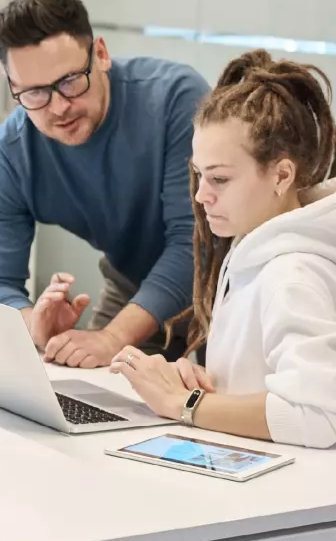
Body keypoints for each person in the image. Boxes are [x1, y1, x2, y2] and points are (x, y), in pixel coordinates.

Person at [0, 0, 210, 368]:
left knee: (222, 413)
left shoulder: (175, 100)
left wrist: (112, 337)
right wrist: (35, 323)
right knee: (94, 393)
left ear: (100, 54)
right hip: (133, 282)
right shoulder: (12, 153)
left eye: (69, 81)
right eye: (34, 93)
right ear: (10, 83)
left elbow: (194, 244)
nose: (59, 106)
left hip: (227, 284)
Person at [111, 49, 336, 449]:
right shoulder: (253, 246)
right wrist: (206, 391)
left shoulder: (292, 273)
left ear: (282, 175)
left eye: (219, 179)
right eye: (199, 175)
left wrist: (183, 403)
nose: (201, 195)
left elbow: (319, 416)